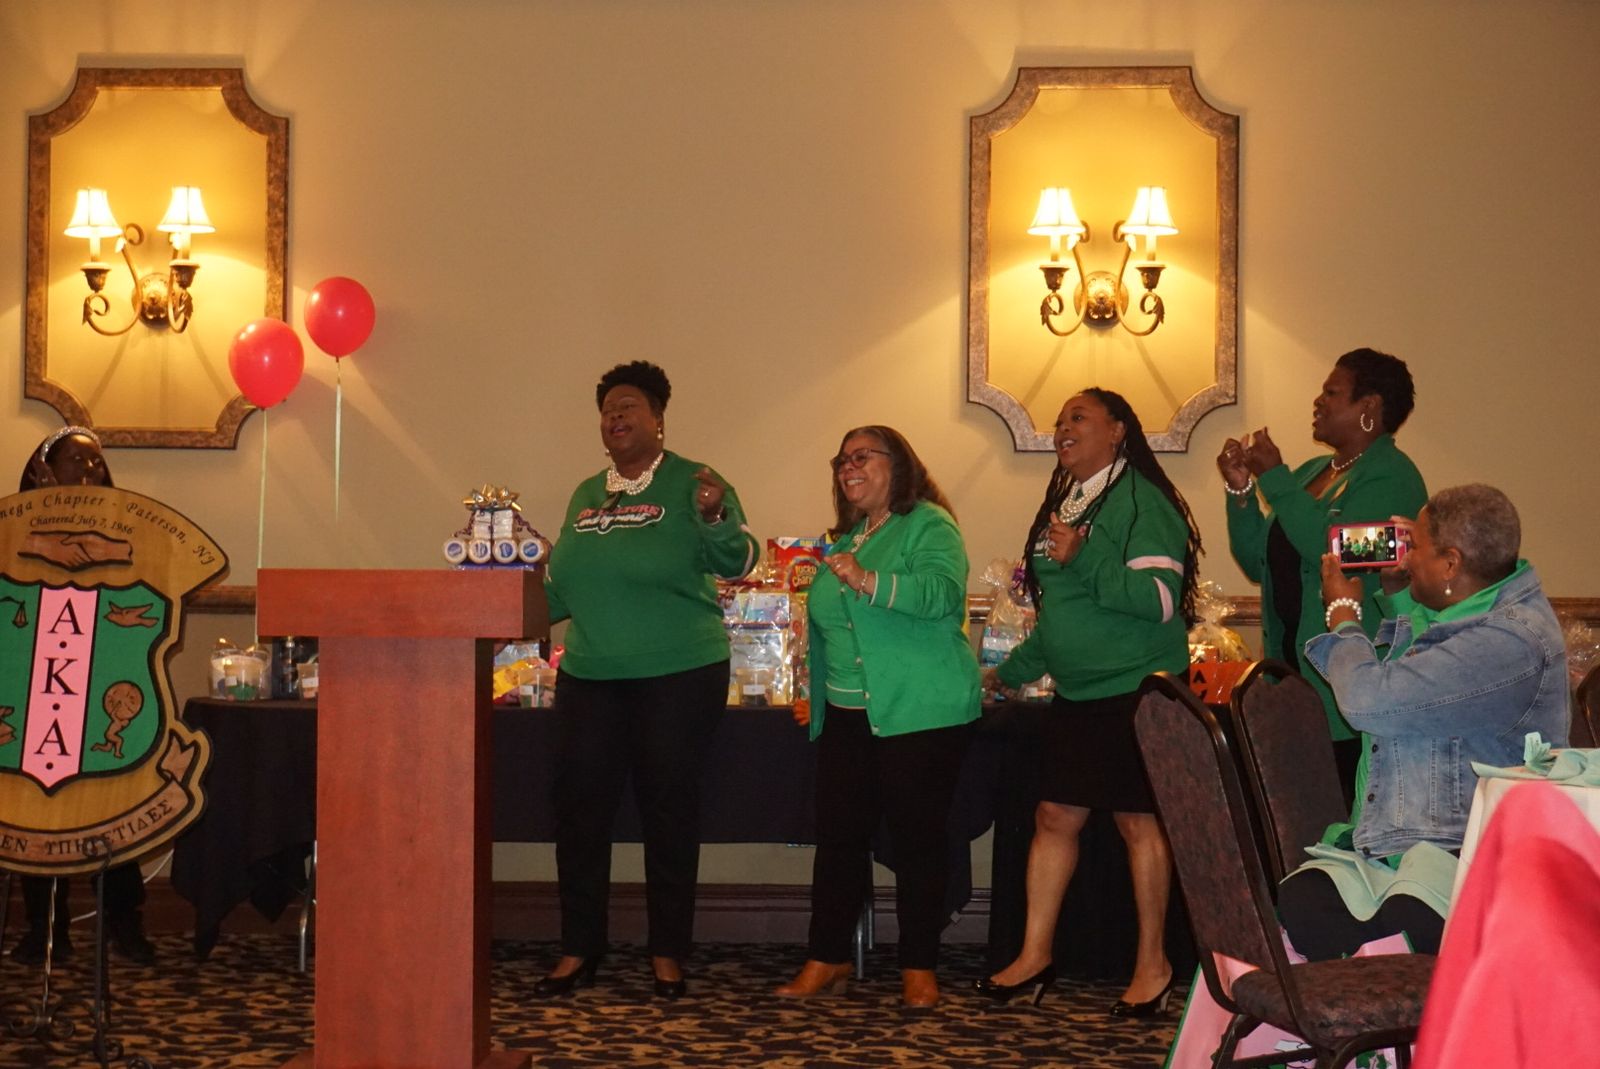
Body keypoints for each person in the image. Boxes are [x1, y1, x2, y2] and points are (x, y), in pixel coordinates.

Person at [536, 361, 759, 1000]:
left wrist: (715, 517)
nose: (616, 415)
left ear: (659, 419)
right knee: (580, 813)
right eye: (608, 408)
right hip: (590, 674)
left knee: (668, 810)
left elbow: (740, 561)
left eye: (630, 405)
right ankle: (580, 947)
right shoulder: (585, 494)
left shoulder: (698, 482)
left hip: (678, 672)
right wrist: (494, 615)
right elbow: (562, 587)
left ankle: (667, 951)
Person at [977, 388, 1202, 1016]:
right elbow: (1063, 615)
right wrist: (1008, 673)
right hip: (1077, 695)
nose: (1062, 428)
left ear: (1118, 430)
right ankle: (1034, 956)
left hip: (1137, 691)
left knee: (1138, 823)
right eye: (1058, 420)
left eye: (1078, 417)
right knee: (1054, 816)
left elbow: (1161, 599)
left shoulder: (1143, 502)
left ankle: (1153, 966)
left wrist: (1085, 557)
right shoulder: (1071, 500)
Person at [1278, 484, 1569, 959]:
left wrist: (1343, 617)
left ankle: (1402, 997)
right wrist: (1401, 592)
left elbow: (1369, 701)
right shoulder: (1479, 609)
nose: (1406, 556)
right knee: (1300, 900)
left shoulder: (1508, 641)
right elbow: (1426, 667)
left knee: (1394, 923)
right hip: (1417, 838)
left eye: (1416, 547)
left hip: (1472, 854)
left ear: (1451, 564)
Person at [774, 426, 979, 1010]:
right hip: (846, 714)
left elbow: (941, 594)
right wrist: (817, 694)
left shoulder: (929, 524)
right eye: (842, 459)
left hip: (920, 710)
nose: (848, 466)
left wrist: (866, 580)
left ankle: (919, 967)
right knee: (838, 841)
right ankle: (827, 958)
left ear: (900, 465)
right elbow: (833, 631)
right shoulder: (846, 538)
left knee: (918, 843)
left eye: (863, 456)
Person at [1218, 347, 1427, 792]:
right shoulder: (1313, 472)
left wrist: (1275, 479)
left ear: (1369, 406)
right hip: (1290, 679)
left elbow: (1336, 551)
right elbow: (1257, 560)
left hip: (1347, 690)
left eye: (1332, 393)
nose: (1318, 401)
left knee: (1339, 812)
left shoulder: (1393, 477)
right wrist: (1241, 492)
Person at [7, 426, 154, 966]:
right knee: (36, 810)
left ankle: (123, 921)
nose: (89, 471)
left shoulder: (123, 531)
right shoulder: (11, 529)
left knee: (107, 802)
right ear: (43, 468)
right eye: (76, 460)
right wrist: (44, 513)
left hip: (96, 679)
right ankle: (46, 928)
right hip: (33, 685)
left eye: (97, 464)